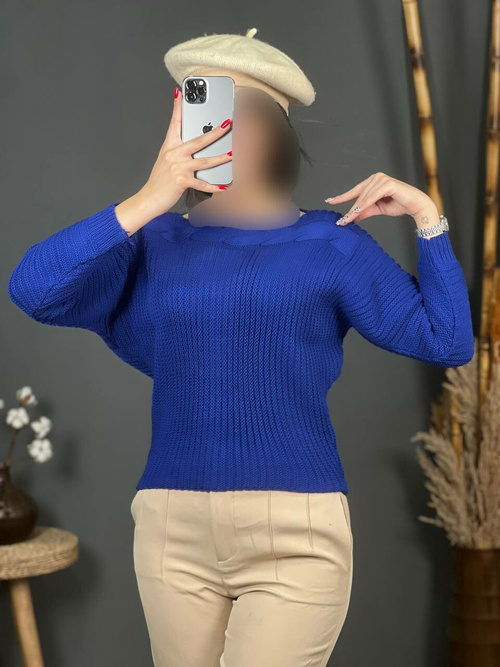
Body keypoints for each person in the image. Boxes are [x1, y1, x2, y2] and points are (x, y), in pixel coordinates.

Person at [7, 27, 474, 667]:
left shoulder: (332, 244)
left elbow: (448, 340)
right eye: (197, 108)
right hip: (172, 528)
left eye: (236, 113)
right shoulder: (154, 240)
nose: (213, 129)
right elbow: (33, 290)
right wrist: (147, 199)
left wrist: (427, 218)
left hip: (296, 532)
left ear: (276, 132)